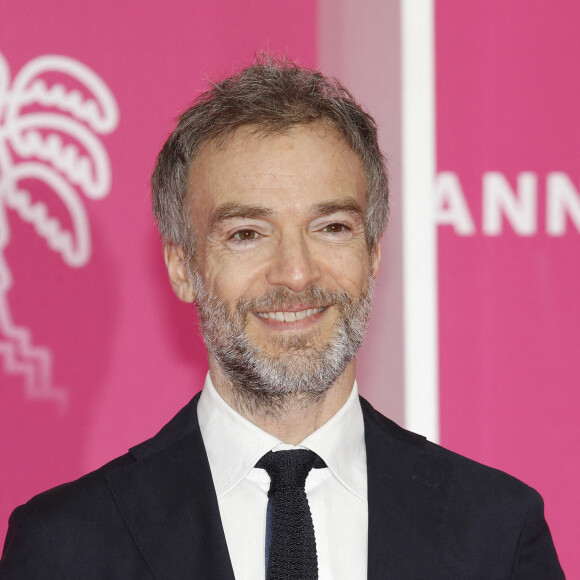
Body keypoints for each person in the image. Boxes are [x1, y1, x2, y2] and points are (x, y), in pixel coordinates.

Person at [0, 56, 564, 580]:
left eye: (331, 228)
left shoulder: (498, 532)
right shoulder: (65, 546)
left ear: (372, 254)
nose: (295, 273)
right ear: (181, 264)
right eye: (247, 234)